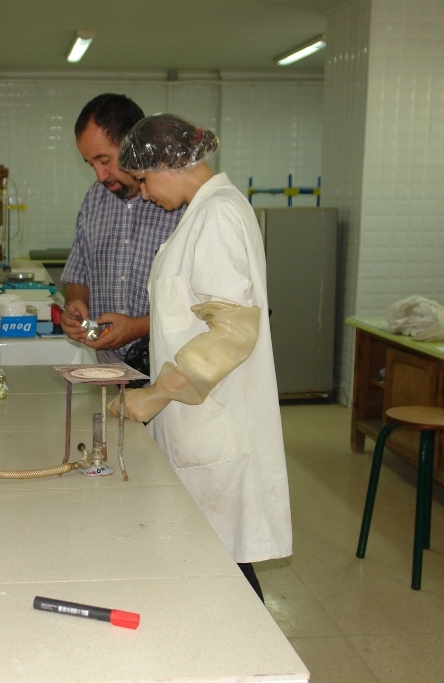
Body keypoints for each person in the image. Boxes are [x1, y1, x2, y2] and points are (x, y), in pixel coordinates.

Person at [111, 114, 292, 601]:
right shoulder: (204, 213)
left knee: (224, 567)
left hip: (215, 423)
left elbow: (233, 332)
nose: (144, 194)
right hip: (197, 419)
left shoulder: (217, 216)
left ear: (171, 163)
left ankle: (255, 667)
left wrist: (152, 396)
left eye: (144, 181)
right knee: (212, 559)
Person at [61, 94, 184, 363]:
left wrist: (138, 327)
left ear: (134, 145)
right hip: (108, 363)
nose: (99, 176)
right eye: (90, 164)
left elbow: (201, 304)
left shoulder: (178, 202)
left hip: (169, 364)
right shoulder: (94, 199)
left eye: (104, 160)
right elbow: (78, 271)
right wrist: (75, 305)